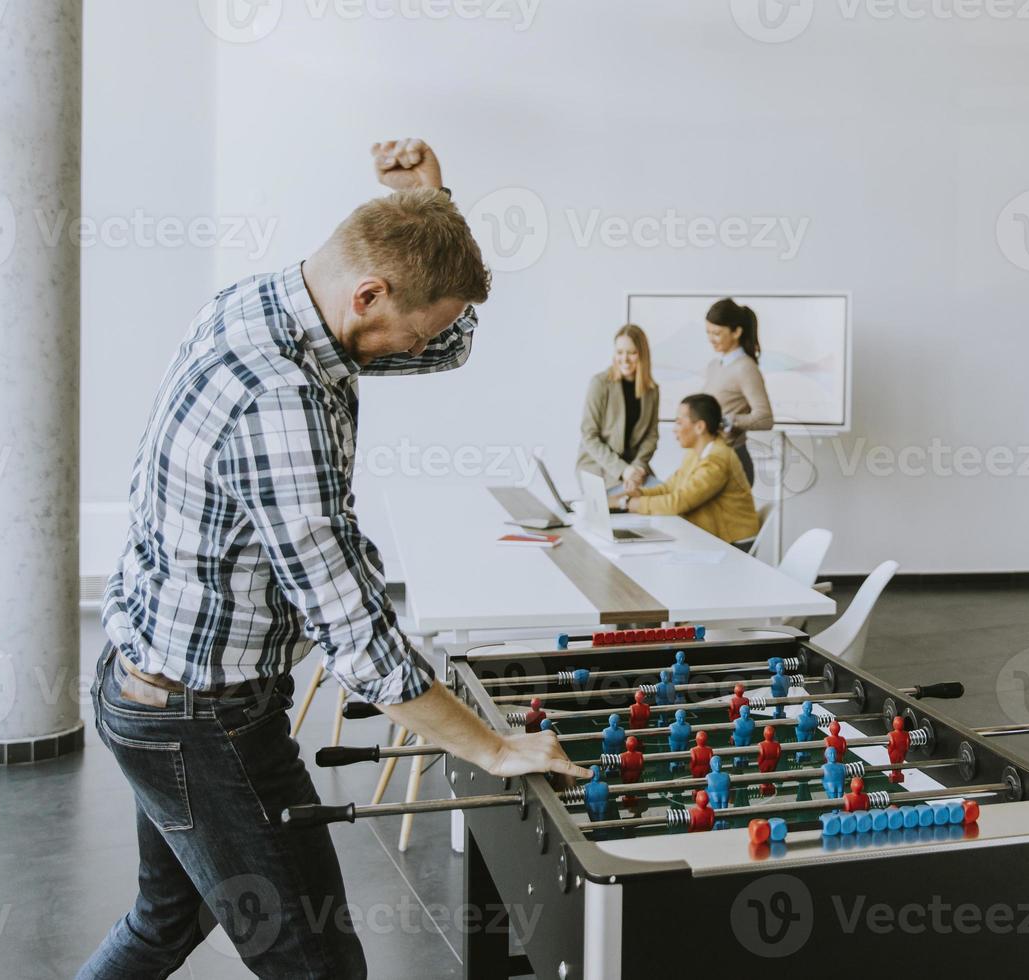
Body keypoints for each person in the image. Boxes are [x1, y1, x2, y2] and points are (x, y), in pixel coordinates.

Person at [82, 138, 587, 980]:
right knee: (318, 965)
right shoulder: (278, 399)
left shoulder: (265, 303)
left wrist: (433, 205)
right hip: (199, 723)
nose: (411, 350)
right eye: (402, 331)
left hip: (151, 681)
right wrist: (494, 750)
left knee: (161, 926)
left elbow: (447, 342)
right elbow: (356, 637)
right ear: (369, 294)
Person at [612, 393, 759, 544]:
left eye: (679, 423)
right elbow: (669, 488)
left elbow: (679, 503)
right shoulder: (694, 452)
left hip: (733, 543)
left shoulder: (717, 459)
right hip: (709, 535)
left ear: (699, 427)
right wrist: (640, 493)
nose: (674, 429)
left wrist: (629, 503)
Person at [576, 323, 659, 492]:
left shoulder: (652, 390)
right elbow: (589, 436)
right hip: (601, 468)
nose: (625, 359)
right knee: (632, 504)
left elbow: (651, 435)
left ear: (642, 354)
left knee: (665, 497)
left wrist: (638, 467)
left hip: (635, 471)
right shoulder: (599, 384)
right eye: (620, 352)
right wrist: (623, 470)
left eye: (632, 353)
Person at [699, 297, 772, 483]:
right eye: (708, 332)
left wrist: (729, 420)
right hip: (712, 458)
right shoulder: (714, 366)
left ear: (736, 332)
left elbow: (765, 418)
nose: (710, 339)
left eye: (716, 333)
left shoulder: (745, 368)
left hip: (733, 460)